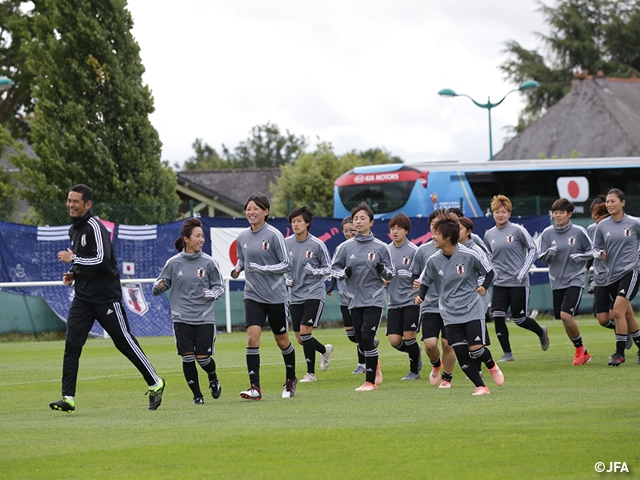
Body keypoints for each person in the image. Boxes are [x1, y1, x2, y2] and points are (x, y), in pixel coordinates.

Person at [50, 184, 165, 413]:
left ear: (88, 204)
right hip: (83, 298)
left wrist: (74, 258)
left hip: (105, 297)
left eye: (76, 201)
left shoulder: (95, 227)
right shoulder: (74, 230)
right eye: (69, 200)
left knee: (123, 341)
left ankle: (155, 382)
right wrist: (74, 272)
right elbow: (86, 260)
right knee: (72, 345)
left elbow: (102, 260)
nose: (71, 205)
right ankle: (68, 398)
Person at [415, 211, 503, 395]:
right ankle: (481, 386)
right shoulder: (433, 260)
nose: (433, 237)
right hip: (449, 313)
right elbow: (425, 280)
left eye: (436, 234)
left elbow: (490, 272)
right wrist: (421, 296)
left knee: (477, 351)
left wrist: (484, 287)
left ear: (447, 236)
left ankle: (492, 365)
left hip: (472, 309)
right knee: (461, 352)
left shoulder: (469, 255)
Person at [231, 194, 297, 400]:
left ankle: (290, 379)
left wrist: (263, 268)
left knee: (282, 341)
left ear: (266, 211)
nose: (251, 212)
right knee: (252, 339)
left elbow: (287, 264)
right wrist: (237, 268)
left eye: (256, 209)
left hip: (276, 296)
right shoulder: (242, 237)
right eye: (248, 209)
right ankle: (255, 388)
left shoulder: (274, 235)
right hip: (252, 295)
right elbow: (242, 259)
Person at [153, 218, 224, 404]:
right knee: (187, 357)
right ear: (186, 239)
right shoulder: (173, 263)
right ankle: (197, 396)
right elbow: (159, 286)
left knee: (202, 359)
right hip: (181, 318)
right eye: (197, 236)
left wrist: (210, 293)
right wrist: (159, 286)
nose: (201, 239)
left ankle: (213, 377)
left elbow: (220, 287)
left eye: (202, 236)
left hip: (204, 318)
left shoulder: (210, 263)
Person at [331, 202, 395, 391]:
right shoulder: (344, 247)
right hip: (353, 300)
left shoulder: (381, 247)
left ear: (371, 222)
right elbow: (334, 269)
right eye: (355, 219)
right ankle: (373, 362)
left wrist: (383, 271)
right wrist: (343, 274)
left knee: (367, 337)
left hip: (374, 298)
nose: (358, 222)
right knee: (360, 340)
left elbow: (391, 273)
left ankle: (370, 381)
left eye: (362, 218)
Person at [483, 195, 549, 362]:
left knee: (519, 319)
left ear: (509, 213)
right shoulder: (489, 235)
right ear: (493, 214)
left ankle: (541, 332)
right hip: (499, 283)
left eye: (503, 212)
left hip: (518, 283)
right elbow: (487, 256)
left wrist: (523, 271)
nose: (500, 215)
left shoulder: (518, 230)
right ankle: (507, 354)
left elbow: (533, 249)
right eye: (497, 212)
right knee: (497, 316)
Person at [539, 198, 593, 366]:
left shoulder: (579, 231)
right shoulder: (547, 233)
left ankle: (579, 349)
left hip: (575, 279)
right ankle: (582, 350)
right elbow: (541, 257)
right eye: (555, 212)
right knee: (564, 319)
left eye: (561, 212)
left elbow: (592, 252)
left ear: (569, 214)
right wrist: (549, 253)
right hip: (557, 281)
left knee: (565, 315)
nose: (558, 215)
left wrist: (581, 257)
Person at [285, 206, 333, 383]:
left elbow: (328, 269)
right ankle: (324, 350)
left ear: (307, 223)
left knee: (305, 333)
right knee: (300, 338)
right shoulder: (286, 243)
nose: (296, 224)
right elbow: (282, 266)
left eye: (299, 221)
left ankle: (310, 374)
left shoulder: (317, 244)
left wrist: (314, 271)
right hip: (295, 296)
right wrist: (285, 278)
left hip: (314, 293)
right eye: (293, 221)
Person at [593, 189, 640, 366]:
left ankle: (619, 353)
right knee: (627, 314)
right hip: (611, 276)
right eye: (607, 202)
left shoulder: (634, 223)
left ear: (623, 203)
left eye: (613, 201)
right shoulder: (603, 225)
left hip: (631, 271)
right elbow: (595, 248)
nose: (609, 204)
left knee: (618, 312)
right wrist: (599, 253)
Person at [413, 209, 456, 388]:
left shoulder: (457, 249)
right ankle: (436, 364)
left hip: (451, 306)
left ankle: (447, 377)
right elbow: (415, 274)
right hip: (430, 305)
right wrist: (416, 284)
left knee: (447, 344)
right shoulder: (423, 250)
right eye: (433, 226)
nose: (435, 230)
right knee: (430, 345)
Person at [587, 198, 634, 349]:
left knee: (619, 313)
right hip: (601, 279)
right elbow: (592, 249)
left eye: (598, 216)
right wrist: (590, 263)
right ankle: (623, 331)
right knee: (603, 319)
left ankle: (620, 349)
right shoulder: (593, 229)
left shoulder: (622, 226)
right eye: (593, 217)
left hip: (619, 276)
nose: (596, 221)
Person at [327, 217, 368, 373]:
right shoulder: (341, 248)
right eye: (346, 231)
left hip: (361, 298)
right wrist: (331, 285)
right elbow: (334, 268)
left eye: (352, 230)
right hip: (345, 298)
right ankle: (370, 344)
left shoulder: (365, 247)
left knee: (360, 332)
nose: (349, 233)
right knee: (352, 335)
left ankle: (363, 364)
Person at [384, 213, 421, 380]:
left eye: (399, 228)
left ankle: (414, 371)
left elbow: (422, 274)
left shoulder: (415, 251)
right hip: (393, 302)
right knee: (394, 341)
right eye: (392, 228)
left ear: (406, 231)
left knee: (409, 336)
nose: (395, 231)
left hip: (411, 300)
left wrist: (417, 282)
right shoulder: (386, 250)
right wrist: (383, 278)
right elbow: (382, 272)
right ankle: (415, 351)